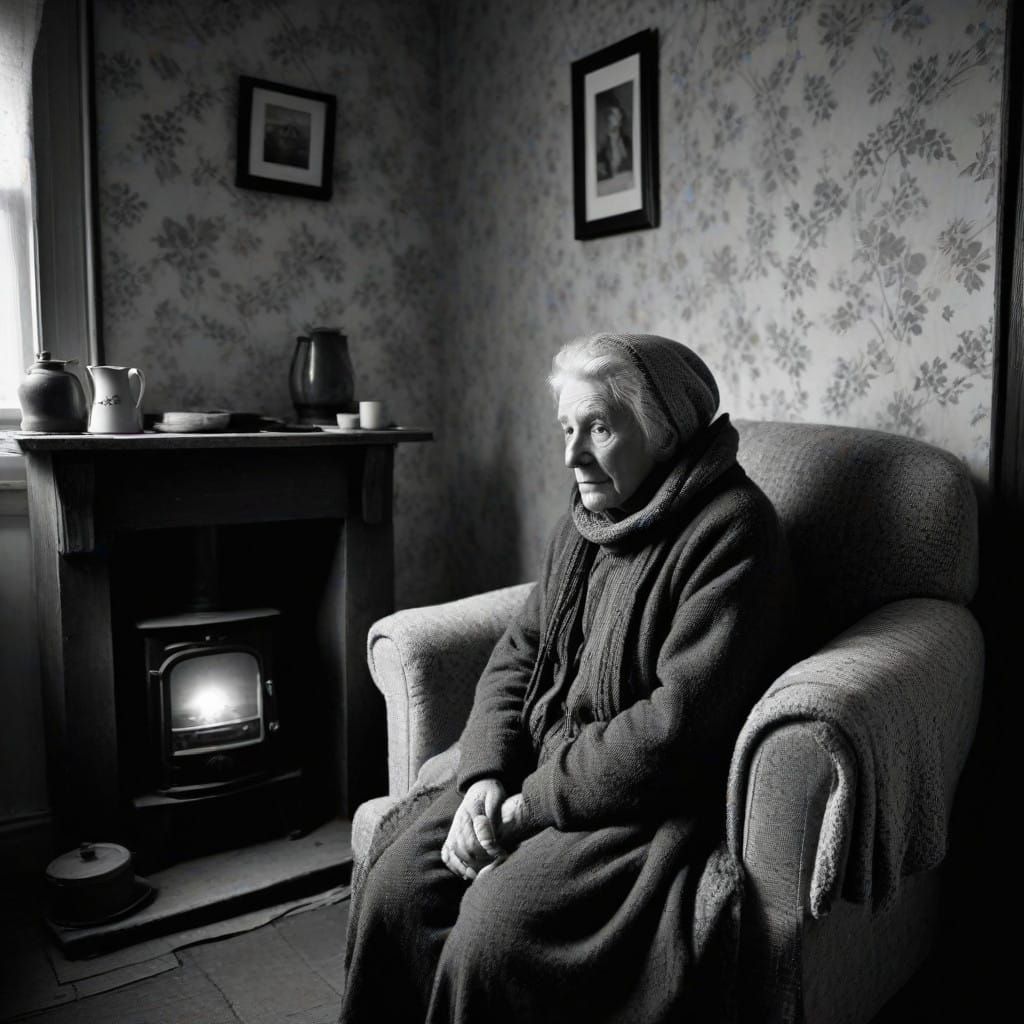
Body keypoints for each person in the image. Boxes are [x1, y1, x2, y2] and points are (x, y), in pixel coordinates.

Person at [340, 333, 795, 1024]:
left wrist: (527, 807)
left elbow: (674, 732)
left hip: (636, 802)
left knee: (494, 935)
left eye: (600, 428)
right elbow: (518, 655)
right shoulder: (586, 522)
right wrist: (485, 777)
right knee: (397, 888)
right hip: (533, 771)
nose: (572, 455)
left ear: (666, 432)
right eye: (566, 428)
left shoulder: (733, 531)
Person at [596, 96, 632, 181]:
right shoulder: (602, 151)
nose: (618, 117)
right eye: (613, 115)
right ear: (607, 119)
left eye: (619, 114)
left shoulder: (627, 142)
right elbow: (602, 176)